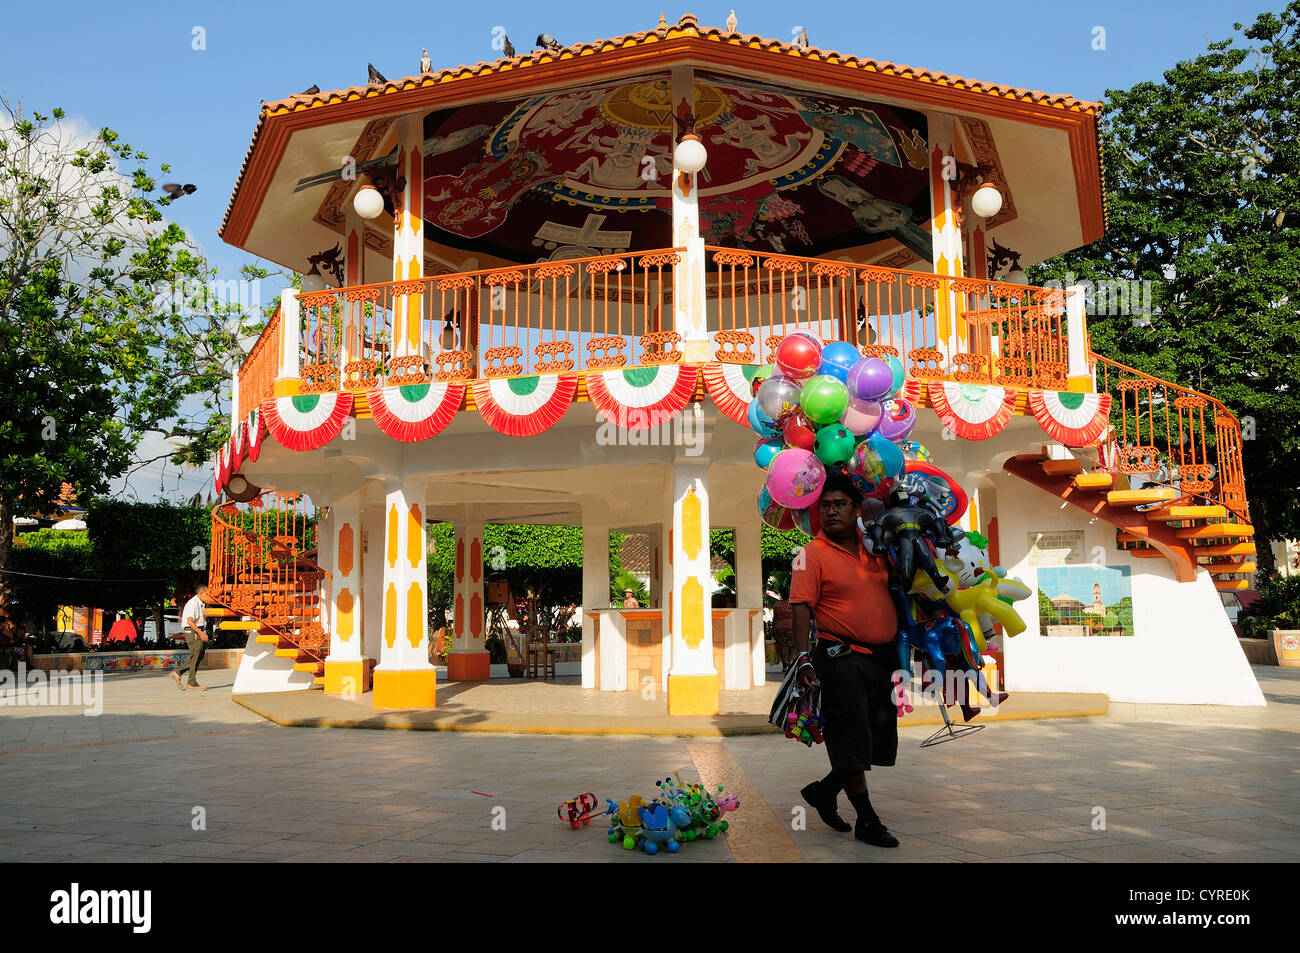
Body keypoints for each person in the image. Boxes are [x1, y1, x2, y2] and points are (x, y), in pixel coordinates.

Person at [790, 473, 902, 848]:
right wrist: (803, 658)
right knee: (850, 736)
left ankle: (824, 792)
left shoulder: (877, 549)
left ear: (857, 509)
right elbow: (801, 606)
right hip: (840, 659)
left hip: (882, 659)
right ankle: (867, 820)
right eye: (825, 506)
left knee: (876, 740)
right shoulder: (811, 554)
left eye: (840, 504)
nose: (831, 511)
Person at [172, 584, 210, 691]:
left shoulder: (200, 603)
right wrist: (200, 633)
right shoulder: (193, 603)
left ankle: (178, 673)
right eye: (207, 594)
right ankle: (191, 683)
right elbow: (189, 621)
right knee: (196, 655)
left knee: (199, 655)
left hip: (196, 630)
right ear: (201, 593)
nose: (208, 596)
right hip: (192, 630)